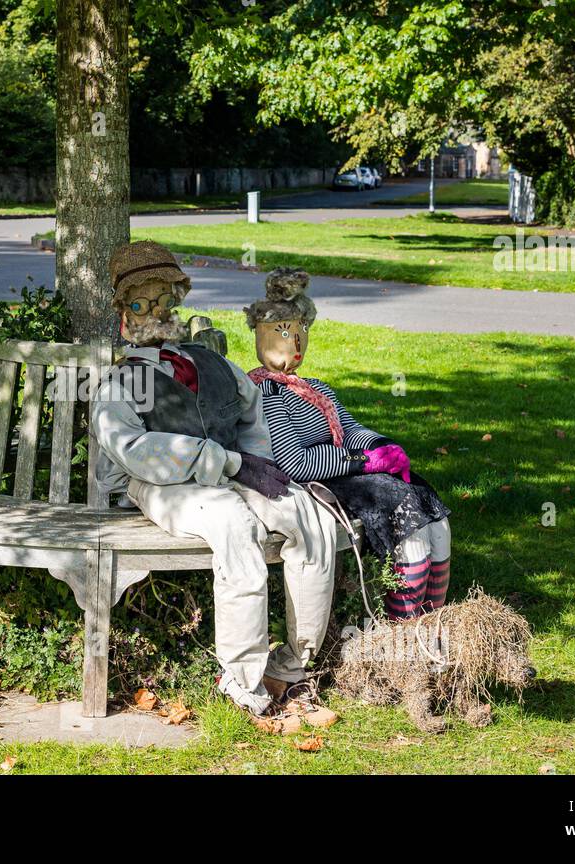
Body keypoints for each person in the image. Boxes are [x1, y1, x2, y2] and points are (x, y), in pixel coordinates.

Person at [91, 242, 340, 716]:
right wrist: (229, 464)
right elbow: (137, 452)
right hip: (161, 486)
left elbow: (251, 418)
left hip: (230, 469)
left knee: (309, 516)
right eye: (143, 303)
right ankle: (242, 679)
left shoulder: (211, 363)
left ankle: (291, 667)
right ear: (124, 312)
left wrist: (258, 466)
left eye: (164, 299)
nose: (156, 311)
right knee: (232, 525)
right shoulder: (122, 382)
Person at [244, 268, 452, 620]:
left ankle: (432, 621)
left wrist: (381, 445)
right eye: (282, 332)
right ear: (262, 336)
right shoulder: (267, 392)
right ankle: (402, 628)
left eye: (301, 330)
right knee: (409, 526)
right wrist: (361, 461)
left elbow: (349, 426)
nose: (294, 342)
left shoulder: (316, 388)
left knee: (431, 511)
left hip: (344, 471)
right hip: (309, 485)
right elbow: (294, 461)